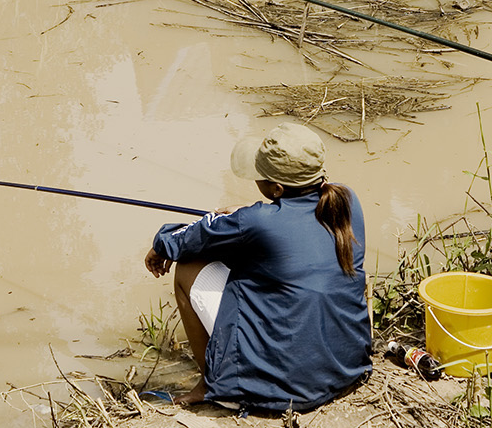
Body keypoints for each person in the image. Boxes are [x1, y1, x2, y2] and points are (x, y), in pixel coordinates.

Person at [145, 122, 372, 412]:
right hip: (347, 370)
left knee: (187, 267)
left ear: (276, 189)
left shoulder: (256, 221)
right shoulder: (347, 201)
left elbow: (188, 239)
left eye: (260, 175)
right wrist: (246, 213)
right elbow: (289, 224)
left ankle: (211, 384)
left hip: (287, 393)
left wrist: (160, 244)